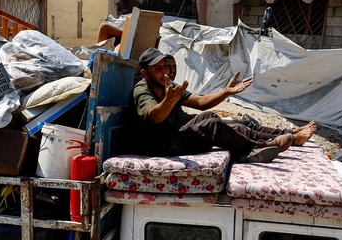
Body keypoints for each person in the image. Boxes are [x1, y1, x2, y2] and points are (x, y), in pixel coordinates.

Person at [132, 48, 316, 163]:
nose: (165, 72)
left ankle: (284, 136)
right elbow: (154, 116)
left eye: (165, 66)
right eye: (157, 69)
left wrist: (226, 92)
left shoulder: (168, 87)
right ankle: (260, 146)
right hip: (160, 146)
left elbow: (201, 103)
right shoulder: (142, 90)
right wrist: (169, 101)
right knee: (213, 125)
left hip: (172, 137)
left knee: (211, 117)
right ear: (145, 73)